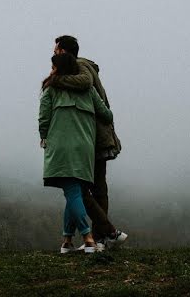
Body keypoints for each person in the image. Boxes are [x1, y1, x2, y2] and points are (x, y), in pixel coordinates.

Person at [44, 35, 128, 250]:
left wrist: (54, 80)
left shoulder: (81, 68)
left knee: (81, 191)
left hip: (92, 137)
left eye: (56, 52)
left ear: (64, 53)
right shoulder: (85, 68)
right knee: (89, 189)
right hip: (94, 136)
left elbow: (85, 83)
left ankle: (104, 235)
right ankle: (83, 239)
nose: (53, 56)